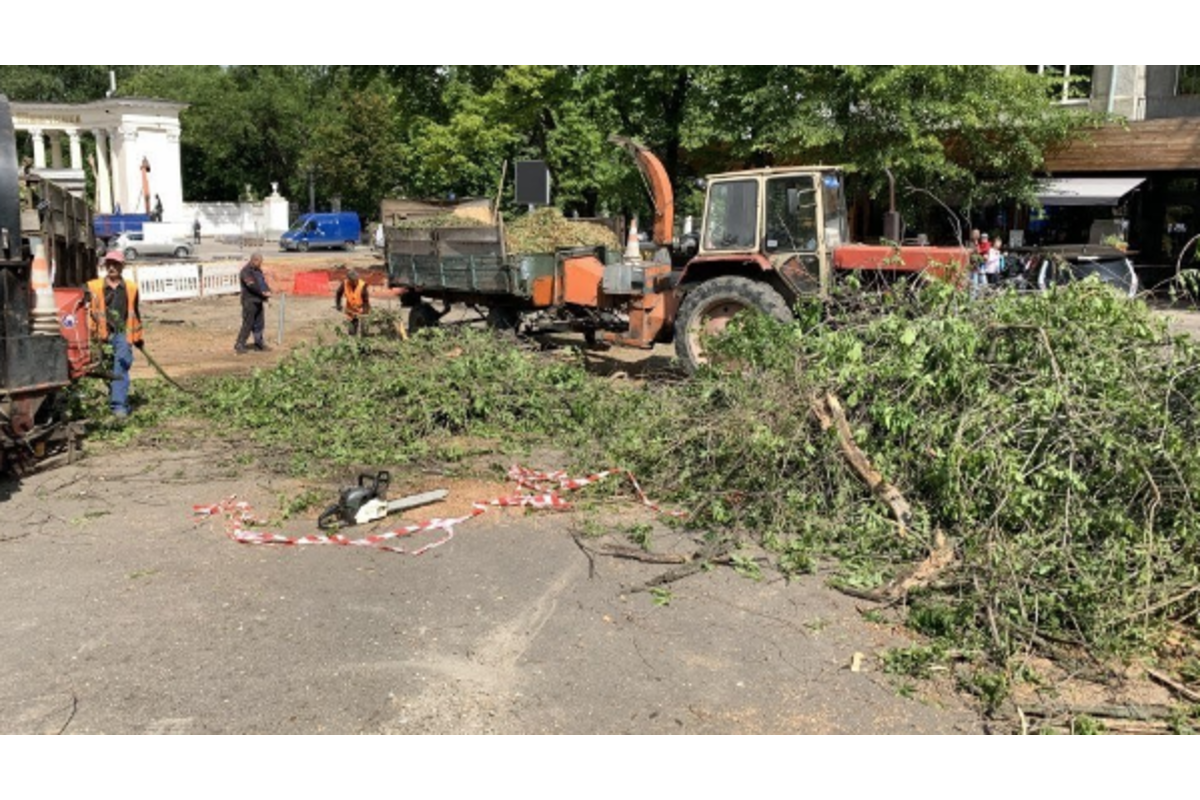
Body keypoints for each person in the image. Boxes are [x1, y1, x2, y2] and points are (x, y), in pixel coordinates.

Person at [81, 250, 144, 419]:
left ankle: (119, 406)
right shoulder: (92, 287)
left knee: (121, 365)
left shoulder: (131, 287)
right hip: (99, 335)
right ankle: (90, 401)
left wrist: (138, 338)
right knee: (97, 368)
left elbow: (135, 313)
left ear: (122, 266)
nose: (112, 267)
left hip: (122, 334)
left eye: (115, 264)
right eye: (109, 264)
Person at [234, 253, 272, 354]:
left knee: (259, 324)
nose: (261, 264)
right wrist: (262, 293)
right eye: (260, 262)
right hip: (249, 301)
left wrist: (268, 291)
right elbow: (252, 286)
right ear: (254, 260)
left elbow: (262, 283)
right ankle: (240, 344)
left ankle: (258, 344)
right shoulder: (246, 271)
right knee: (248, 323)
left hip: (259, 301)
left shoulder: (258, 271)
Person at [335, 268, 371, 337]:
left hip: (362, 308)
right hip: (351, 309)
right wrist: (338, 304)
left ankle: (365, 342)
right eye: (353, 281)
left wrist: (364, 312)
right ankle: (353, 342)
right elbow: (338, 293)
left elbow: (366, 301)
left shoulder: (363, 285)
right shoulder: (345, 284)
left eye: (356, 280)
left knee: (364, 329)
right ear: (349, 280)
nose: (355, 282)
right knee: (352, 330)